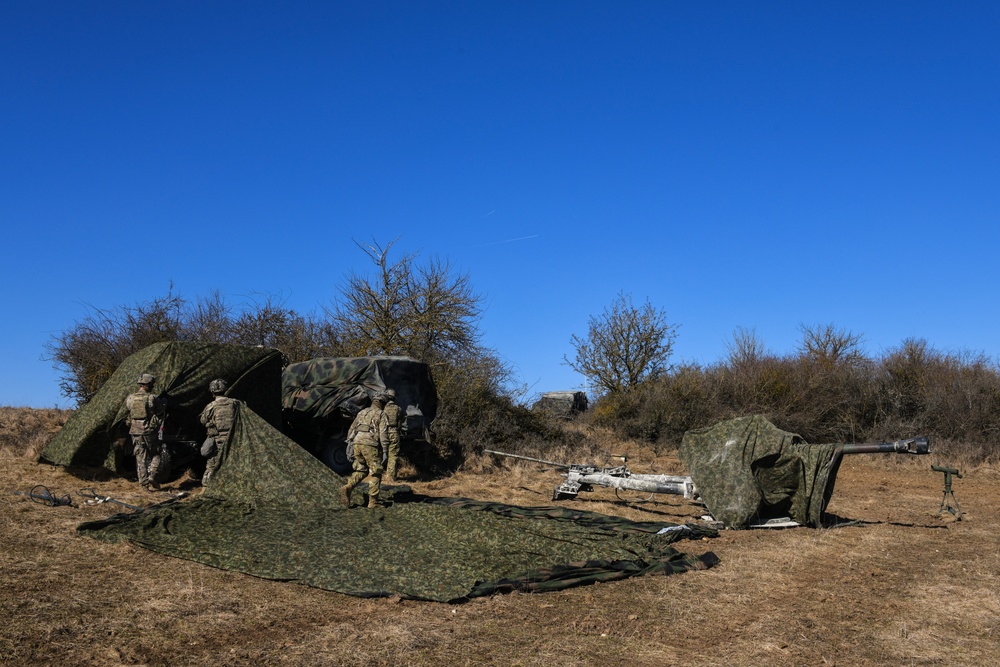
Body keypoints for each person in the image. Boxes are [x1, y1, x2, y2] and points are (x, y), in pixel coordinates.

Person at [340, 393, 386, 508]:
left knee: (361, 469)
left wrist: (350, 442)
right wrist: (385, 449)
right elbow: (383, 434)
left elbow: (352, 429)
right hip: (369, 444)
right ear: (382, 403)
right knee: (376, 471)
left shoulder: (362, 412)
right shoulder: (381, 414)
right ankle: (373, 502)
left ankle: (348, 487)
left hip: (357, 443)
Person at [124, 373, 167, 491]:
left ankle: (143, 484)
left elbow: (128, 410)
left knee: (140, 458)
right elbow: (160, 411)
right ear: (148, 385)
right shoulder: (152, 398)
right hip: (148, 430)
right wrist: (163, 402)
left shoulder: (130, 398)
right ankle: (152, 475)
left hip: (135, 431)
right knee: (156, 454)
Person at [199, 378, 239, 485]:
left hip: (217, 440)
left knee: (211, 465)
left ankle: (207, 487)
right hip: (233, 439)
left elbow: (203, 420)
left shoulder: (211, 406)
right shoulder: (235, 403)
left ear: (212, 391)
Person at [380, 388, 403, 482]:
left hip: (383, 433)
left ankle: (376, 475)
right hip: (394, 433)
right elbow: (400, 423)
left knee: (379, 453)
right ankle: (391, 477)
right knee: (393, 455)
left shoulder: (382, 408)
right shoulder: (398, 409)